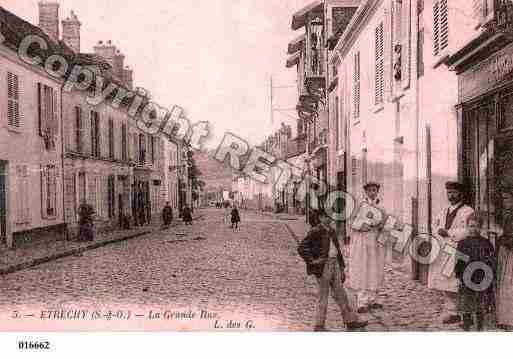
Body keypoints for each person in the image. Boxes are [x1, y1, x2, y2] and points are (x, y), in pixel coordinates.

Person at [298, 210, 367, 331]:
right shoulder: (316, 231)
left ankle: (350, 321)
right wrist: (313, 261)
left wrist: (341, 267)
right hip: (323, 266)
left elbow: (338, 251)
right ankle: (319, 325)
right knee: (323, 296)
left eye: (331, 216)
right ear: (320, 217)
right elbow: (302, 247)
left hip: (334, 264)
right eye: (326, 216)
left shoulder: (331, 231)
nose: (330, 219)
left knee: (341, 294)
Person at [428, 181, 475, 325]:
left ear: (460, 193)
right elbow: (434, 225)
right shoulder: (443, 211)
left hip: (459, 249)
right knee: (445, 281)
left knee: (457, 281)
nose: (451, 195)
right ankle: (451, 311)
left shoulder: (468, 211)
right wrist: (438, 231)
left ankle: (462, 312)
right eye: (449, 193)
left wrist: (448, 232)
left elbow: (469, 230)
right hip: (444, 250)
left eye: (454, 192)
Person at [348, 181, 387, 313]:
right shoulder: (360, 205)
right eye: (370, 190)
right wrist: (360, 226)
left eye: (374, 190)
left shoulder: (381, 206)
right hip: (362, 241)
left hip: (375, 242)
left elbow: (385, 222)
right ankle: (362, 301)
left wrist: (383, 226)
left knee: (375, 269)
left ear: (377, 191)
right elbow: (351, 221)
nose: (372, 193)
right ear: (366, 192)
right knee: (363, 268)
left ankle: (373, 298)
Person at [454, 213, 496, 331]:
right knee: (466, 303)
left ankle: (479, 327)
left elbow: (490, 261)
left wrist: (490, 276)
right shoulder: (463, 243)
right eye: (471, 226)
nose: (474, 229)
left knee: (480, 305)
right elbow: (459, 261)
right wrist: (459, 274)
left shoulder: (486, 243)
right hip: (467, 277)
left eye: (477, 226)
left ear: (481, 228)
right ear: (467, 227)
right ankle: (466, 324)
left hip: (481, 277)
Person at [496, 184, 513, 331]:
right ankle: (506, 318)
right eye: (503, 199)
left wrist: (503, 239)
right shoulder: (507, 214)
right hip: (507, 252)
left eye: (507, 198)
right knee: (506, 285)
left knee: (509, 285)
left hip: (510, 253)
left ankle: (509, 319)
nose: (505, 202)